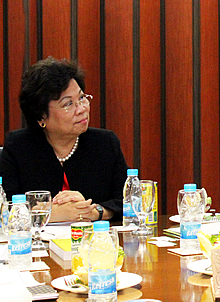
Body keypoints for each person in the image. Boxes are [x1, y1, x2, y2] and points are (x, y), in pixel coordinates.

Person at [0, 57, 129, 222]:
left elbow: (129, 199)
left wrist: (94, 211)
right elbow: (7, 209)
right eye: (68, 104)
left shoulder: (105, 143)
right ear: (41, 117)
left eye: (82, 98)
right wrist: (54, 213)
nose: (82, 109)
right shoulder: (18, 147)